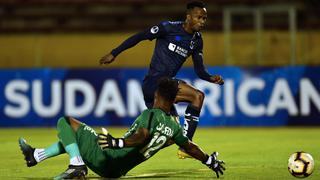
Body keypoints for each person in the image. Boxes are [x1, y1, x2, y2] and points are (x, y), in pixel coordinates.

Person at [19, 77, 225, 179]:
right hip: (117, 171)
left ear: (157, 95)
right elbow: (189, 147)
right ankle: (36, 156)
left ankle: (76, 166)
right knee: (75, 138)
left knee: (66, 122)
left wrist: (116, 142)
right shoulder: (174, 127)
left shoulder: (151, 114)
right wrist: (209, 161)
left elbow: (142, 135)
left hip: (107, 157)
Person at [100, 1, 224, 159]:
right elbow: (140, 36)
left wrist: (210, 77)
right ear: (188, 17)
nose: (202, 21)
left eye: (204, 18)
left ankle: (120, 151)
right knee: (197, 96)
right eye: (199, 17)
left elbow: (199, 69)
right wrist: (114, 53)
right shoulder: (168, 28)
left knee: (170, 136)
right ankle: (187, 146)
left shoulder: (197, 41)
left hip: (165, 89)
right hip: (155, 83)